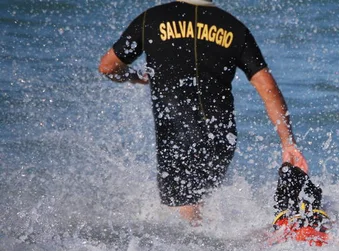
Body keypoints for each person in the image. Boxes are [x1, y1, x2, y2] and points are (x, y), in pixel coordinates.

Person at [98, 0, 308, 225]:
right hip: (221, 133)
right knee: (199, 204)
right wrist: (288, 143)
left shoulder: (151, 19)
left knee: (184, 212)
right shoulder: (233, 27)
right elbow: (267, 87)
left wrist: (134, 78)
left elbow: (108, 67)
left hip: (174, 131)